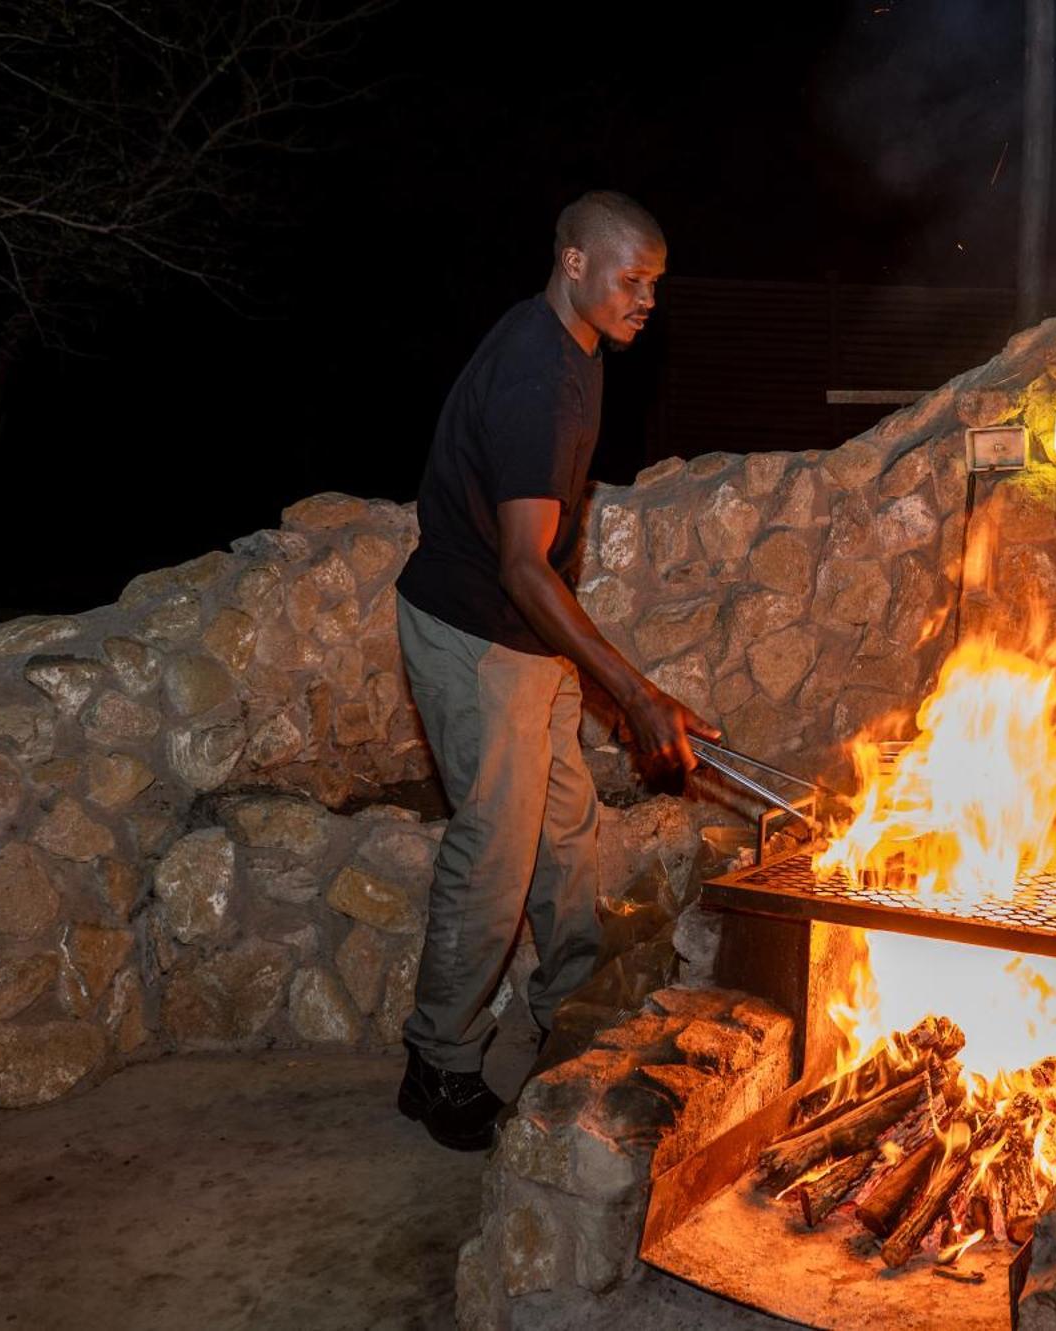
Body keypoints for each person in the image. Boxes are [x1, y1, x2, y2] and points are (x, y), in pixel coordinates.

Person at [391, 190, 718, 1151]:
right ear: (574, 261)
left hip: (523, 635)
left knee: (568, 828)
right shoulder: (540, 373)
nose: (647, 300)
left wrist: (599, 681)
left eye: (655, 284)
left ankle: (572, 1011)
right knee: (494, 847)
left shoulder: (574, 344)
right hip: (474, 632)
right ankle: (438, 1064)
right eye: (632, 279)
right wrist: (634, 690)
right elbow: (523, 564)